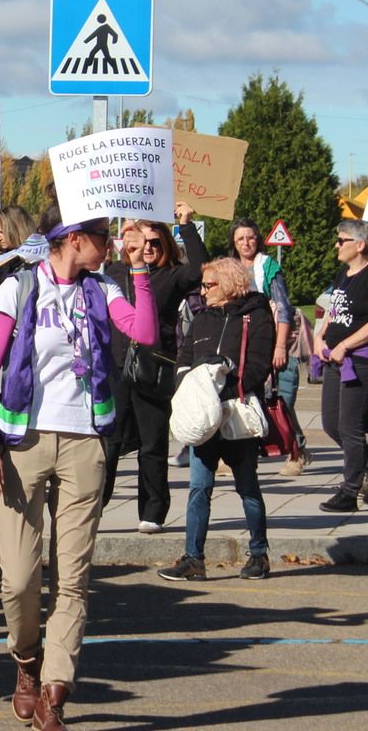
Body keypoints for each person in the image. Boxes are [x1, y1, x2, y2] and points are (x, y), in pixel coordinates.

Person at [0, 205, 156, 730]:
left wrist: (138, 266)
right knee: (19, 579)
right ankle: (27, 660)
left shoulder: (103, 289)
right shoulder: (19, 288)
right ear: (74, 238)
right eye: (104, 235)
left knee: (72, 578)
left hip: (86, 443)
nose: (111, 243)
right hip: (23, 442)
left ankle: (55, 693)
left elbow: (142, 332)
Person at [158, 257, 275, 581]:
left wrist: (223, 379)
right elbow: (185, 358)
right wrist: (188, 384)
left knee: (247, 486)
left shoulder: (257, 316)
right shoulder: (202, 319)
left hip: (236, 413)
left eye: (209, 285)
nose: (203, 291)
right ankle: (194, 558)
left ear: (228, 284)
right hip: (203, 418)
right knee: (199, 487)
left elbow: (258, 367)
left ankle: (259, 554)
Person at [102, 204, 207, 534]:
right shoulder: (114, 274)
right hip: (117, 369)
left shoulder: (172, 274)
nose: (148, 248)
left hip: (154, 368)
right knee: (109, 443)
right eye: (141, 241)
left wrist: (186, 225)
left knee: (152, 444)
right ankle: (93, 506)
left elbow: (203, 268)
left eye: (155, 242)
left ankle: (152, 511)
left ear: (166, 245)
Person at [315, 219, 368, 513]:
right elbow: (334, 314)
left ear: (360, 245)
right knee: (330, 423)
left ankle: (350, 491)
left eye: (341, 240)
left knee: (350, 426)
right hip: (336, 358)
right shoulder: (343, 275)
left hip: (362, 360)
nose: (336, 245)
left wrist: (345, 345)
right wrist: (320, 337)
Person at [228, 217, 308, 473]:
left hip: (270, 340)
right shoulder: (229, 268)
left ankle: (297, 450)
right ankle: (236, 454)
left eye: (250, 237)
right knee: (241, 398)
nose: (246, 242)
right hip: (241, 342)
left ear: (258, 239)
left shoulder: (268, 266)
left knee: (280, 399)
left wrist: (281, 346)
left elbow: (283, 308)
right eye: (240, 238)